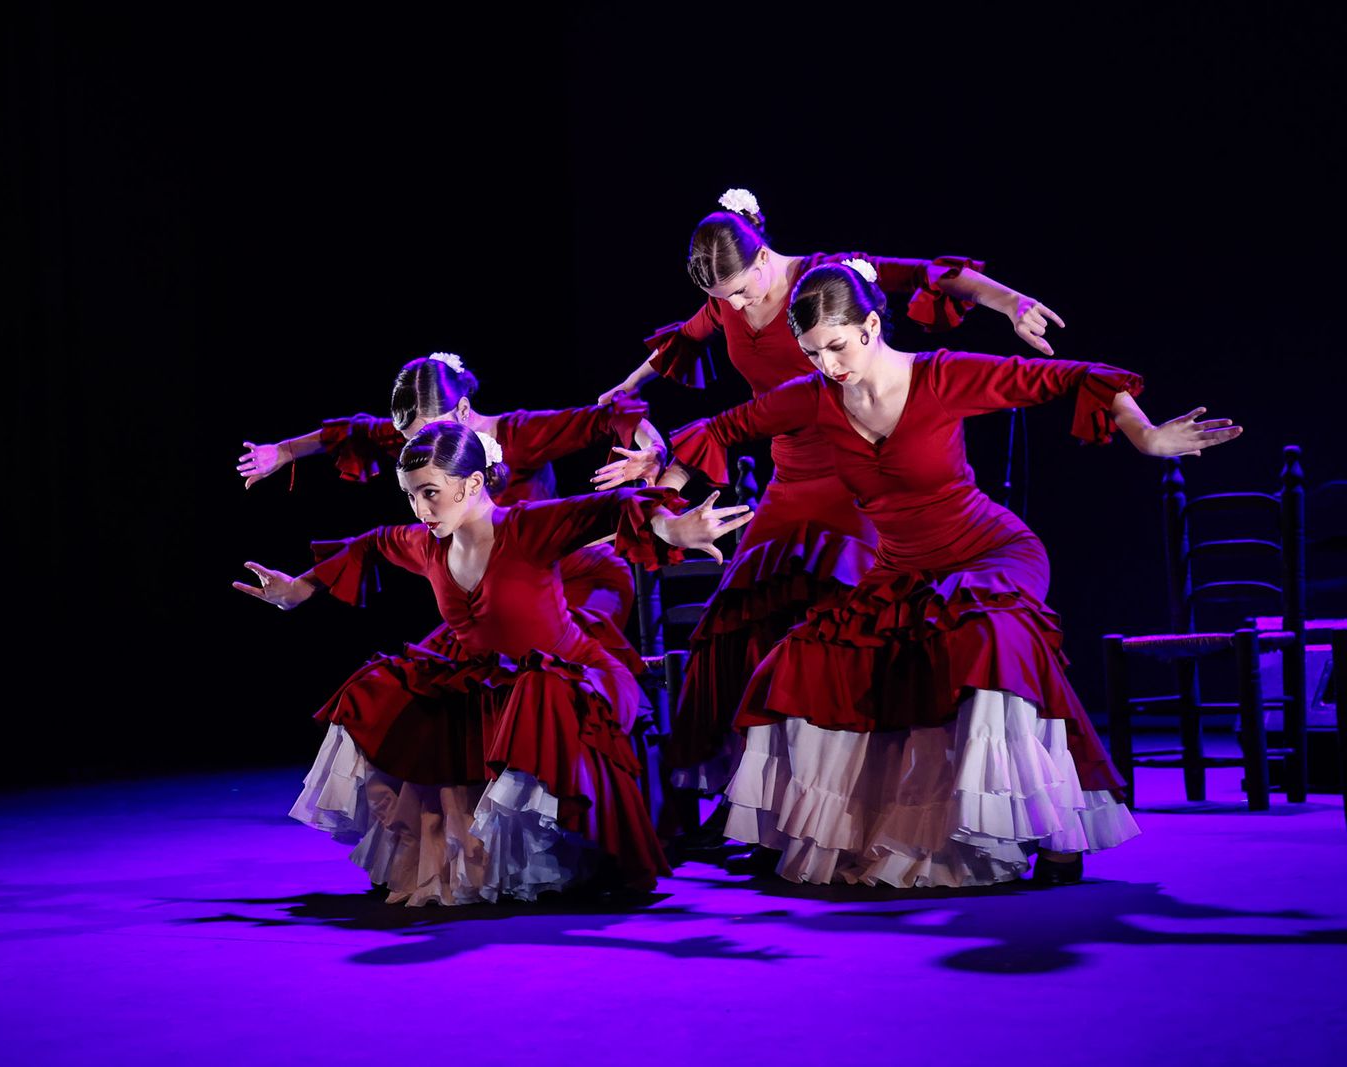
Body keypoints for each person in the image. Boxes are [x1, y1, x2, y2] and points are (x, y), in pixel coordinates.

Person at [661, 259, 1240, 887]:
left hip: (988, 553)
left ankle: (1054, 834)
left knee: (990, 639)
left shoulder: (941, 377)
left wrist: (1146, 436)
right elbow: (716, 430)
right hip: (900, 570)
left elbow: (1074, 377)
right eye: (811, 353)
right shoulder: (813, 398)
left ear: (870, 326)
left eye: (836, 346)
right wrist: (664, 507)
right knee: (801, 659)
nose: (828, 365)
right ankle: (845, 827)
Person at [598, 188, 1064, 801]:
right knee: (737, 619)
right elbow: (672, 351)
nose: (734, 305)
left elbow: (931, 275)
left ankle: (882, 786)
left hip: (857, 472)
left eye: (740, 290)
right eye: (722, 297)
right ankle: (770, 795)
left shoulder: (824, 278)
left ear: (763, 257)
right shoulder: (726, 304)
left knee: (855, 622)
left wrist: (1011, 303)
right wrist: (628, 397)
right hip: (790, 479)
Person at [234, 422, 752, 904]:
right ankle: (480, 857)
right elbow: (370, 545)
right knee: (376, 688)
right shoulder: (425, 545)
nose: (420, 509)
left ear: (474, 483)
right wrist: (299, 589)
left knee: (537, 691)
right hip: (485, 676)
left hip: (567, 675)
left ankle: (561, 853)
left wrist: (670, 529)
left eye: (430, 493)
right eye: (410, 495)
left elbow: (615, 506)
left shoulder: (526, 527)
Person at [237, 350, 666, 641]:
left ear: (462, 410)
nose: (419, 446)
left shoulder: (519, 434)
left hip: (562, 581)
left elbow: (612, 415)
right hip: (493, 592)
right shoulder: (422, 441)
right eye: (409, 438)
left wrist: (654, 451)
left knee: (556, 672)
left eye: (426, 431)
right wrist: (284, 451)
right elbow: (352, 432)